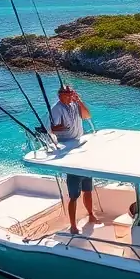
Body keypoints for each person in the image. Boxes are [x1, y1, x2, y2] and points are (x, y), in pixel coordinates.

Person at [50, 84, 96, 233]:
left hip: (80, 147)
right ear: (60, 95)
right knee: (74, 194)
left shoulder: (75, 104)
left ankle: (91, 215)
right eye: (67, 94)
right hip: (68, 150)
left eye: (71, 93)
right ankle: (73, 225)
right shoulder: (56, 109)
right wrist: (61, 128)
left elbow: (87, 115)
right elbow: (51, 128)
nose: (70, 96)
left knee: (88, 188)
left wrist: (79, 101)